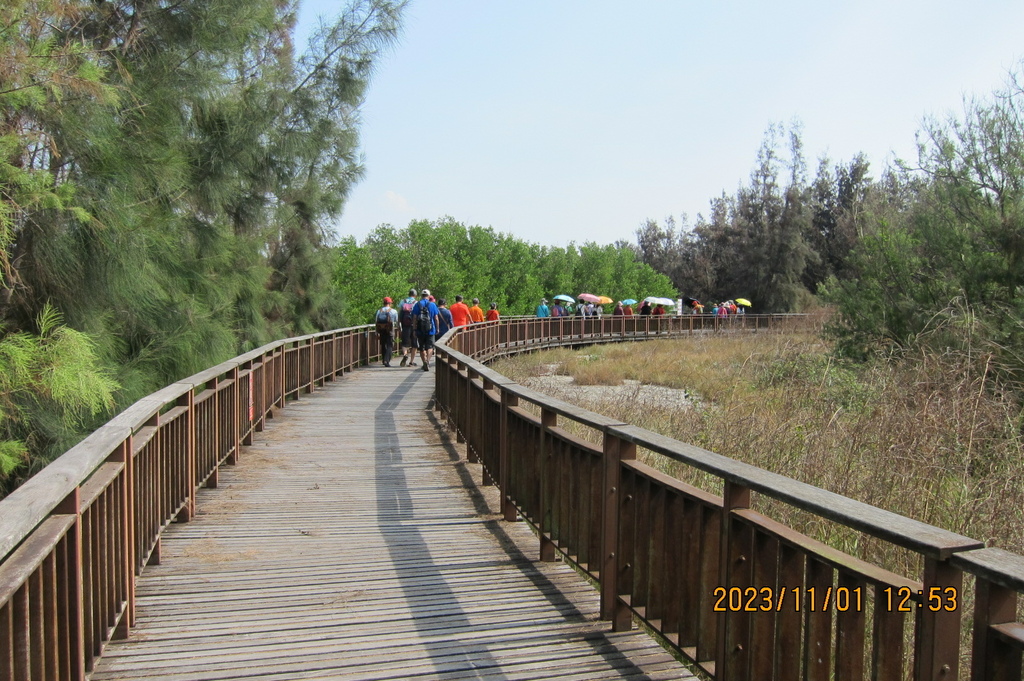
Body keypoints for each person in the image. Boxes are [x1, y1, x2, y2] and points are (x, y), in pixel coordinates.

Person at [410, 289, 440, 371]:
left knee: (422, 348)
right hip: (431, 329)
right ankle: (427, 361)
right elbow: (436, 318)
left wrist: (414, 329)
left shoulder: (417, 305)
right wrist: (437, 328)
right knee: (430, 347)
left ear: (421, 295)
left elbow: (414, 318)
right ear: (429, 296)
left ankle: (424, 362)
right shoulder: (432, 305)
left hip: (420, 330)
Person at [373, 297, 399, 367]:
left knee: (383, 345)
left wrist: (376, 332)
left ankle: (383, 359)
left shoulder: (379, 311)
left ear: (383, 303)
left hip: (381, 330)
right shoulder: (393, 311)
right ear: (390, 303)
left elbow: (376, 322)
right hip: (390, 330)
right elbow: (396, 321)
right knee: (390, 345)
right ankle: (386, 360)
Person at [398, 288, 419, 367]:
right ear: (415, 295)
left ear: (409, 294)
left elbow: (399, 313)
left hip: (405, 325)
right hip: (414, 326)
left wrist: (399, 324)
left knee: (404, 343)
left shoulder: (403, 301)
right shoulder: (416, 303)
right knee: (414, 344)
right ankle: (411, 361)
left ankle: (405, 354)